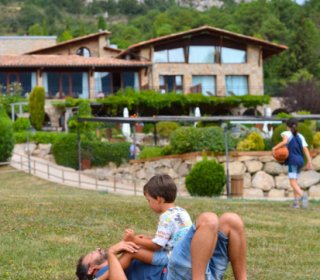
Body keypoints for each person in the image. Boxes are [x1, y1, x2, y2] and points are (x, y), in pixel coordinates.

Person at [78, 211, 247, 280]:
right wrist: (113, 253)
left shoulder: (124, 259)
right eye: (93, 253)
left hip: (199, 269)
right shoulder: (102, 273)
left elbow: (157, 251)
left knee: (231, 221)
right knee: (208, 220)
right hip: (176, 274)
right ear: (91, 269)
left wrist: (145, 240)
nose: (98, 249)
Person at [272, 118, 312, 208]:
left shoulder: (286, 133)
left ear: (287, 126)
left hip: (293, 161)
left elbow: (285, 142)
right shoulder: (300, 136)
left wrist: (274, 148)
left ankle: (303, 196)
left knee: (292, 182)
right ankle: (296, 203)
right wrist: (309, 161)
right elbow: (305, 149)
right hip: (300, 161)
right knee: (295, 182)